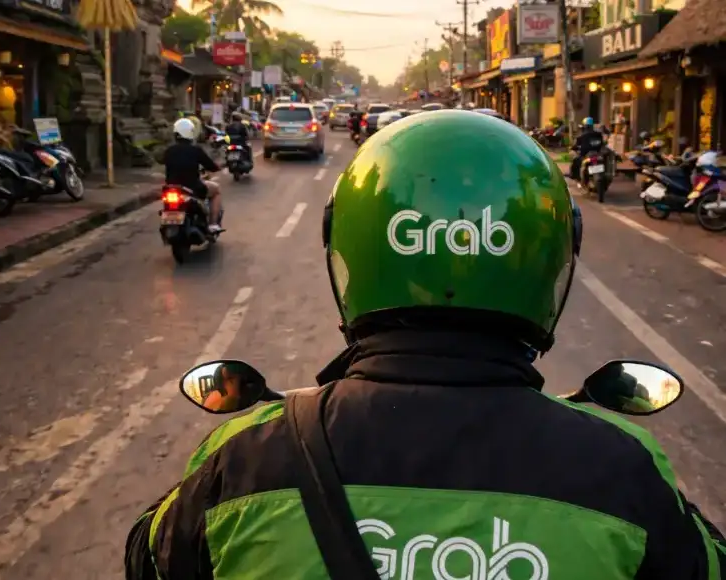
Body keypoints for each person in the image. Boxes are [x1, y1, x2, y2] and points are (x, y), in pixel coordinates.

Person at [125, 111, 726, 579]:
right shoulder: (623, 470)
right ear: (551, 255)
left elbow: (149, 561)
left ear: (348, 250)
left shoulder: (245, 459)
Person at [164, 118, 222, 233]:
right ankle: (213, 224)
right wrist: (217, 167)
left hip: (172, 188)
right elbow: (211, 166)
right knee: (216, 190)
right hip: (192, 187)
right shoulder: (196, 150)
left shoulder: (169, 150)